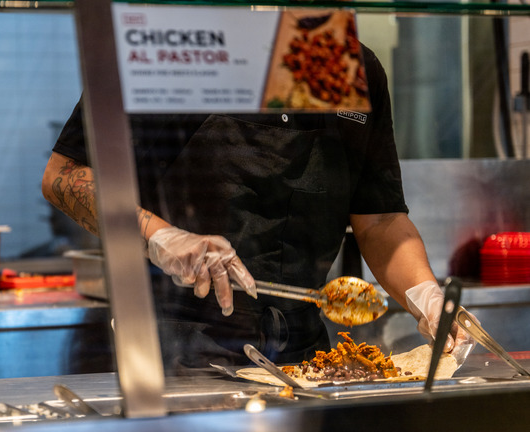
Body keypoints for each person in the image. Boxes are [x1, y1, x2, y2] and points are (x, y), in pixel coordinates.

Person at [41, 43, 473, 375]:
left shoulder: (353, 67)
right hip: (176, 351)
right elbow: (64, 176)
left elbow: (380, 219)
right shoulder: (172, 50)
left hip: (307, 358)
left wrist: (426, 295)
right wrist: (157, 235)